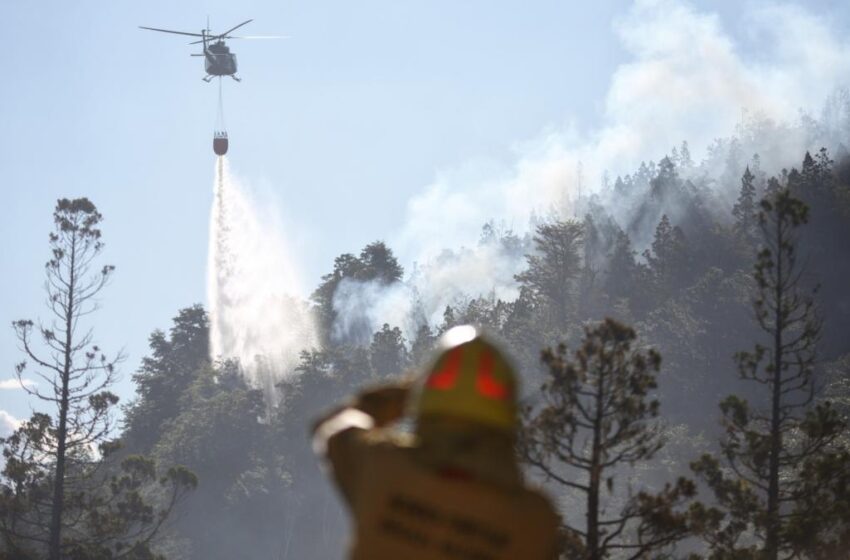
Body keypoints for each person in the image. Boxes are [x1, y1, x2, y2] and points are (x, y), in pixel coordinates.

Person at [312, 325, 560, 560]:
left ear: (426, 405)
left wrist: (395, 399)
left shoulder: (381, 467)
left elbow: (333, 427)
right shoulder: (535, 522)